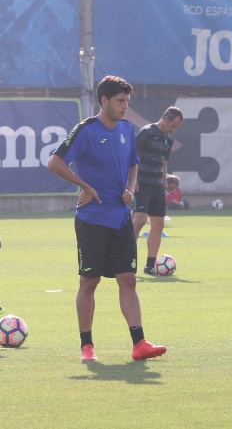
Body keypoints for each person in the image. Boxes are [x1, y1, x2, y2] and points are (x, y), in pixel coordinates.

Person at [47, 75, 167, 362]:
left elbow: (134, 165)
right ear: (104, 100)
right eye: (120, 101)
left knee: (128, 279)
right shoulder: (85, 130)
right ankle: (87, 346)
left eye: (127, 101)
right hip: (92, 220)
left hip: (121, 219)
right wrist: (85, 186)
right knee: (89, 283)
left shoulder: (126, 129)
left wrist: (130, 188)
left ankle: (139, 343)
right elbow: (54, 161)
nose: (125, 106)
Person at [132, 106, 183, 274]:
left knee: (158, 225)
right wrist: (133, 179)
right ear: (166, 118)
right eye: (173, 125)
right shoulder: (146, 132)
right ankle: (126, 261)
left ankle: (149, 265)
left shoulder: (168, 139)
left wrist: (164, 183)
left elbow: (164, 162)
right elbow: (130, 154)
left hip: (157, 187)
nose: (174, 130)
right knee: (139, 221)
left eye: (177, 127)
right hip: (142, 185)